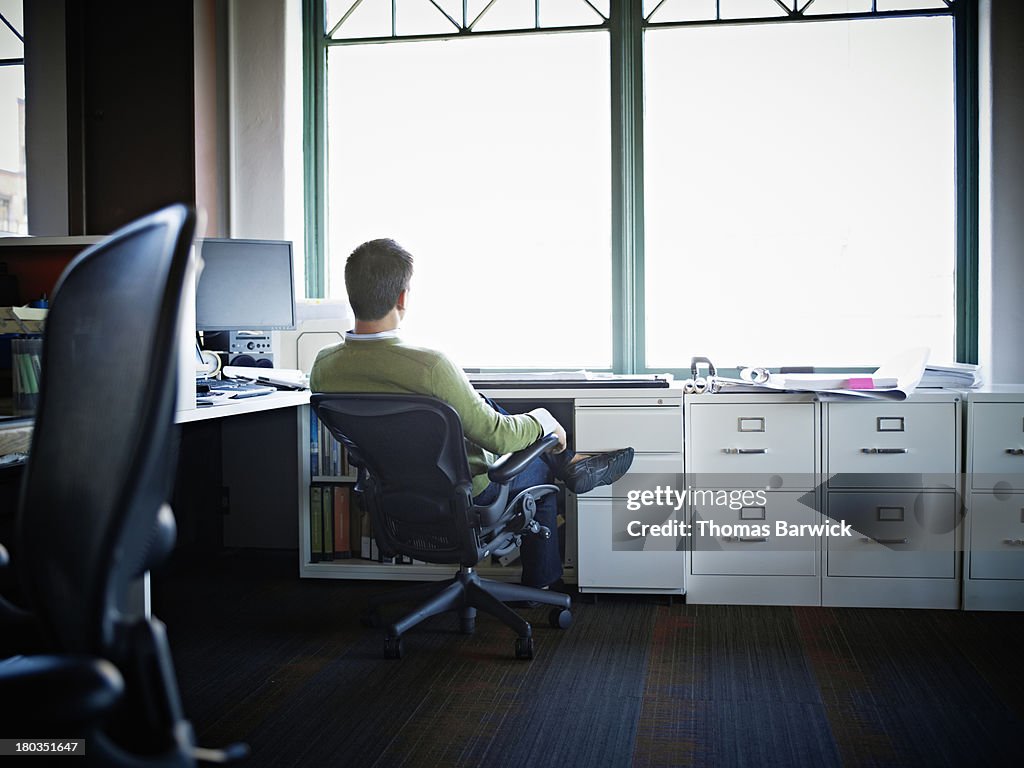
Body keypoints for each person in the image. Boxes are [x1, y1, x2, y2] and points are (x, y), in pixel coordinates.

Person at [310, 238, 634, 590]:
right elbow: (495, 435)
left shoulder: (323, 367)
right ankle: (540, 583)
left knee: (477, 404)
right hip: (467, 494)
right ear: (402, 297)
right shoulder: (430, 365)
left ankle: (572, 462)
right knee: (540, 474)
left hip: (390, 495)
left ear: (351, 294)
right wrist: (544, 421)